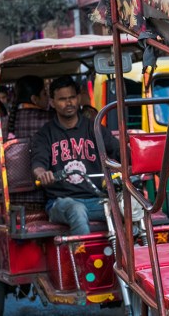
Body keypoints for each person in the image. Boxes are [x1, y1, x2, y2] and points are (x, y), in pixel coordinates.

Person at [31, 76, 120, 236]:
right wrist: (42, 174)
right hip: (60, 202)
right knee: (76, 210)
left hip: (97, 200)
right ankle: (81, 259)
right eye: (62, 99)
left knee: (126, 208)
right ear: (52, 102)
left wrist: (137, 163)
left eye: (72, 97)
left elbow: (119, 151)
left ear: (78, 98)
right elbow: (38, 162)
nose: (69, 103)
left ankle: (129, 258)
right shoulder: (45, 134)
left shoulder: (94, 128)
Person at [7, 75, 51, 140]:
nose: (48, 97)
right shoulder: (50, 119)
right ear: (35, 99)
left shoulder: (2, 122)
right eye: (44, 93)